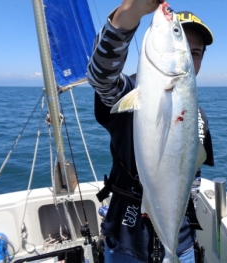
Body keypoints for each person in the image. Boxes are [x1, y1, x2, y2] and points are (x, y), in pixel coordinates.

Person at [87, 1, 214, 262]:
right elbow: (101, 76)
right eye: (182, 44)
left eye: (197, 52)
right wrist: (131, 12)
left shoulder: (196, 116)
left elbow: (193, 176)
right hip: (126, 240)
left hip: (180, 243)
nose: (189, 58)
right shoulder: (130, 93)